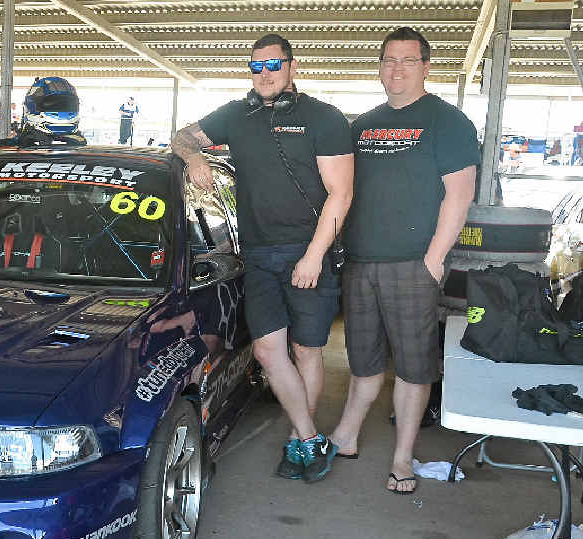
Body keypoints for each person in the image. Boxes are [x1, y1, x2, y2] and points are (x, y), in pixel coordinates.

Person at [170, 33, 354, 483]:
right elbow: (181, 136)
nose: (265, 74)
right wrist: (194, 158)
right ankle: (309, 438)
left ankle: (296, 439)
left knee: (306, 350)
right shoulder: (237, 115)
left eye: (273, 65)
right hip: (257, 253)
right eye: (256, 66)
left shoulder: (325, 118)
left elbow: (342, 194)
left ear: (292, 67)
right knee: (269, 351)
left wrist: (313, 256)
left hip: (308, 252)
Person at [328, 28, 478, 494]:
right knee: (363, 361)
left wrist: (434, 259)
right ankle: (346, 436)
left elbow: (459, 194)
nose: (397, 69)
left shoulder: (447, 121)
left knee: (414, 367)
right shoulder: (361, 126)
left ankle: (402, 458)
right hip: (360, 262)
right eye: (389, 60)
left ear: (426, 67)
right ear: (379, 67)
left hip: (413, 264)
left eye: (408, 60)